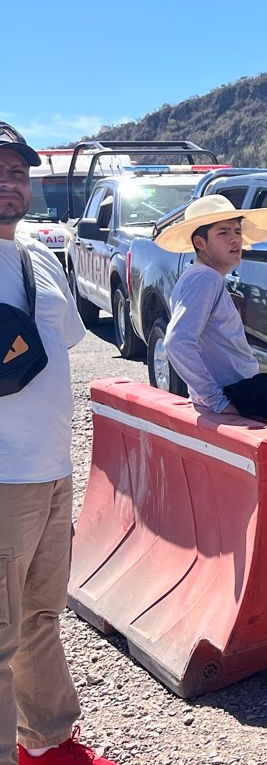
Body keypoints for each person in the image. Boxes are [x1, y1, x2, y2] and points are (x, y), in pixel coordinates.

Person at [0, 123, 117, 764]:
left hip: (49, 467)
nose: (9, 183)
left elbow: (66, 340)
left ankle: (46, 744)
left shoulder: (38, 256)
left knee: (41, 615)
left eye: (17, 172)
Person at [155, 195, 267, 552]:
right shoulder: (205, 281)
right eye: (223, 233)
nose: (235, 239)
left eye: (237, 231)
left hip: (241, 403)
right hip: (233, 408)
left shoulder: (203, 278)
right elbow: (178, 342)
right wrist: (218, 400)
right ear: (200, 243)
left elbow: (223, 352)